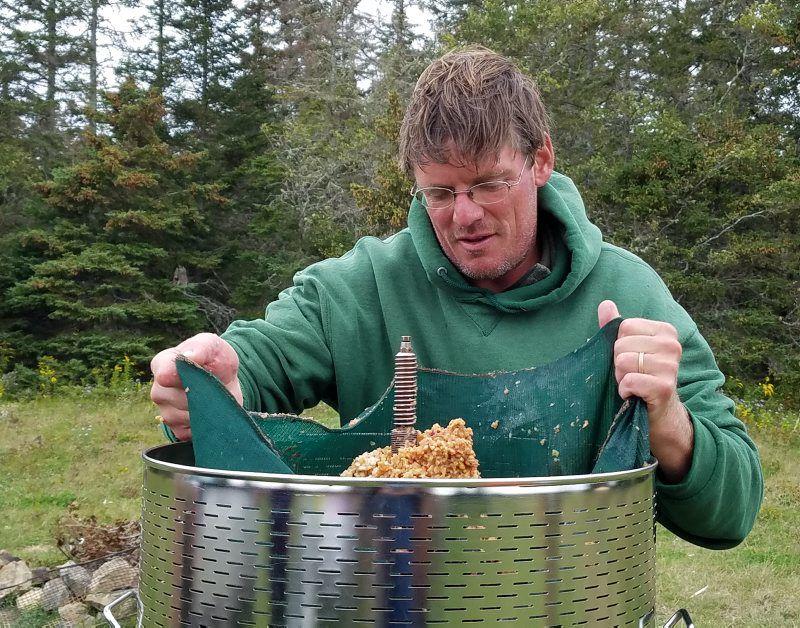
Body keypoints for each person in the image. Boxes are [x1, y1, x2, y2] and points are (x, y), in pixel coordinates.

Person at [151, 46, 762, 549]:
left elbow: (731, 514)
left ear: (540, 160)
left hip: (574, 601)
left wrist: (670, 424)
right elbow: (262, 358)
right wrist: (219, 386)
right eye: (439, 192)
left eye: (487, 184)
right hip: (394, 601)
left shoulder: (628, 292)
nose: (463, 216)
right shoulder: (364, 285)